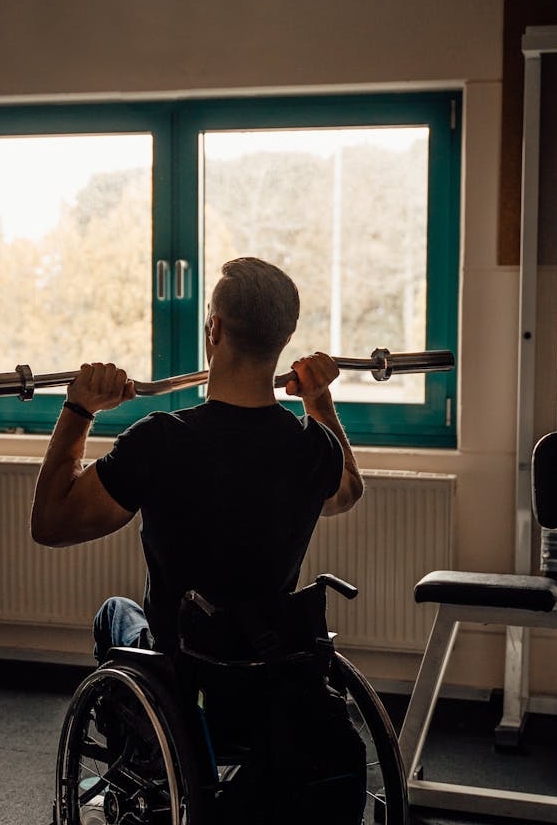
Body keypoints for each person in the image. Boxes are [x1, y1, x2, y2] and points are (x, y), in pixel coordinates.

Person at [31, 256, 363, 659]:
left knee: (114, 613)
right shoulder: (314, 445)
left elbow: (50, 523)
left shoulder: (159, 440)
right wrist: (319, 400)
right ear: (285, 338)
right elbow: (349, 489)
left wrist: (79, 409)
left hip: (181, 662)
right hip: (269, 655)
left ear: (214, 328)